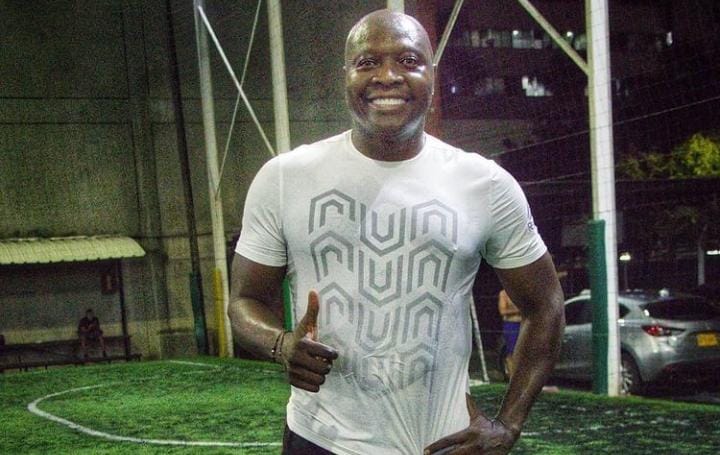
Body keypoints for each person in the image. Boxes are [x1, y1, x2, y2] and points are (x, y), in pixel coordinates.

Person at [228, 9, 564, 455]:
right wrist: (280, 344)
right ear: (346, 76)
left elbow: (546, 305)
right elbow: (244, 301)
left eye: (408, 61)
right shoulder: (285, 177)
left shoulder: (485, 184)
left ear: (432, 76)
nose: (387, 76)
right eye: (367, 62)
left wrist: (508, 424)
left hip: (441, 443)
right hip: (321, 440)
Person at [498, 289, 522, 379]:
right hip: (511, 324)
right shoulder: (504, 293)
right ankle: (513, 378)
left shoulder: (523, 292)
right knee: (512, 351)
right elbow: (502, 311)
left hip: (523, 323)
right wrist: (518, 310)